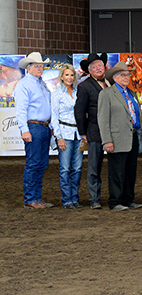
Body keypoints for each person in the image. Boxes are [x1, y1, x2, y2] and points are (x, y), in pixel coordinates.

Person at [97, 61, 142, 211]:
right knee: (117, 172)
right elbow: (103, 119)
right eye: (123, 75)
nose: (126, 77)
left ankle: (128, 199)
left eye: (128, 75)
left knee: (130, 171)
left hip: (132, 136)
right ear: (115, 78)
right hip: (116, 139)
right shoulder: (106, 94)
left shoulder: (131, 93)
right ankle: (115, 201)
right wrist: (107, 140)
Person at [14, 52, 53, 209]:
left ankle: (36, 197)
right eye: (37, 66)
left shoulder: (41, 83)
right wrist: (24, 129)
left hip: (43, 127)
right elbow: (21, 110)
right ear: (28, 68)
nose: (40, 68)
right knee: (34, 163)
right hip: (33, 127)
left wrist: (50, 127)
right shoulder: (24, 85)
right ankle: (31, 199)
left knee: (41, 163)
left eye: (41, 66)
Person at [74, 52, 109, 209]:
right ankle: (94, 199)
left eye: (100, 65)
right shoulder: (84, 86)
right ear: (89, 70)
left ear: (104, 67)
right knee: (94, 166)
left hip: (112, 130)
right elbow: (79, 110)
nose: (98, 68)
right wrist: (83, 132)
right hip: (94, 131)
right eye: (94, 66)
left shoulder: (110, 83)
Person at [51, 64, 83, 209]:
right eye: (67, 75)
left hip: (79, 134)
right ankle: (67, 199)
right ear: (62, 77)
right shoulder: (57, 94)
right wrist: (59, 137)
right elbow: (54, 117)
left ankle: (75, 198)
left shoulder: (78, 93)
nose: (69, 78)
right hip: (64, 133)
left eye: (71, 75)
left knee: (77, 168)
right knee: (65, 168)